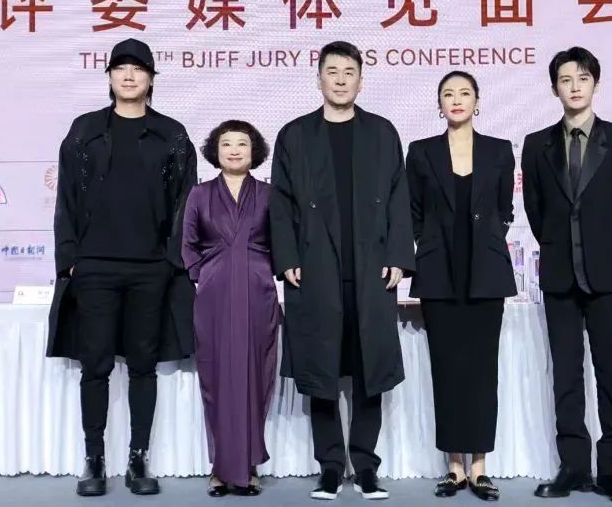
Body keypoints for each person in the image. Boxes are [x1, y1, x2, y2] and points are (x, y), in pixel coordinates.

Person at [46, 38, 198, 498]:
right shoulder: (85, 130)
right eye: (120, 68)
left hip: (151, 268)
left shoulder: (172, 134)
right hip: (94, 266)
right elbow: (66, 198)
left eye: (138, 69)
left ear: (151, 79)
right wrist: (69, 261)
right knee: (94, 366)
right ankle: (93, 460)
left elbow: (185, 203)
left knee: (142, 367)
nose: (129, 76)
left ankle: (138, 459)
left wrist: (172, 261)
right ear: (109, 76)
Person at [269, 41, 415, 501]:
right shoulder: (295, 135)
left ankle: (366, 466)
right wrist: (287, 258)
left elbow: (399, 197)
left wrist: (399, 255)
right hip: (314, 268)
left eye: (349, 72)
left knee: (370, 370)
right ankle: (330, 467)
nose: (340, 79)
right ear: (319, 79)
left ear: (360, 81)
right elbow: (280, 203)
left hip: (372, 268)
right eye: (332, 71)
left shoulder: (382, 132)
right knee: (322, 370)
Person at [521, 47, 612, 507]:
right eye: (565, 79)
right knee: (567, 375)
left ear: (595, 83)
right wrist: (560, 247)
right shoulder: (536, 144)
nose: (574, 87)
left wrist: (611, 245)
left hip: (608, 276)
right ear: (554, 88)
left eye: (582, 78)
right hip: (559, 274)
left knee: (611, 373)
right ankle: (573, 466)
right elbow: (535, 209)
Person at [406, 71, 516, 501]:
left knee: (483, 371)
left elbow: (504, 209)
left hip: (486, 273)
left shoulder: (499, 150)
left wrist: (486, 241)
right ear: (439, 104)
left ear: (477, 101)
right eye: (448, 94)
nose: (456, 99)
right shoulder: (421, 152)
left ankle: (480, 467)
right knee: (447, 370)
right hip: (439, 274)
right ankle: (454, 466)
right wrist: (431, 245)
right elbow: (414, 211)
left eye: (464, 93)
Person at [181, 120, 281, 497]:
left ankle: (249, 465)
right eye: (226, 144)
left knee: (256, 374)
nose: (234, 150)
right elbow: (188, 245)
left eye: (242, 143)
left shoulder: (270, 195)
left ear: (255, 151)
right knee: (216, 378)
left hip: (258, 292)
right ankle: (221, 468)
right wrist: (204, 275)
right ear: (215, 150)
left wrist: (265, 271)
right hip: (214, 295)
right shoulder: (199, 194)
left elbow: (282, 243)